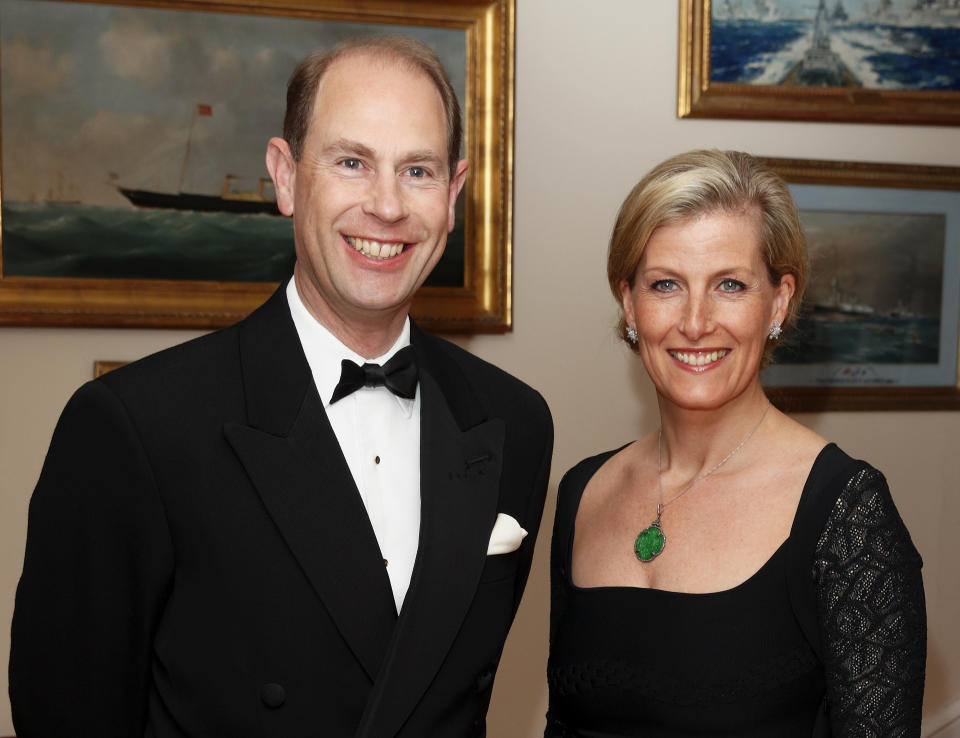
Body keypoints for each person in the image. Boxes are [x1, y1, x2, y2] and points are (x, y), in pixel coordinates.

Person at [11, 36, 553, 737]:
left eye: (417, 170)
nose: (386, 206)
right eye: (352, 162)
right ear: (286, 177)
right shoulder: (133, 428)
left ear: (453, 196)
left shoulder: (514, 420)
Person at [545, 150, 925, 737]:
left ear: (778, 301)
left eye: (729, 285)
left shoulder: (847, 514)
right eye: (666, 284)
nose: (696, 323)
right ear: (629, 303)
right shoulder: (582, 493)